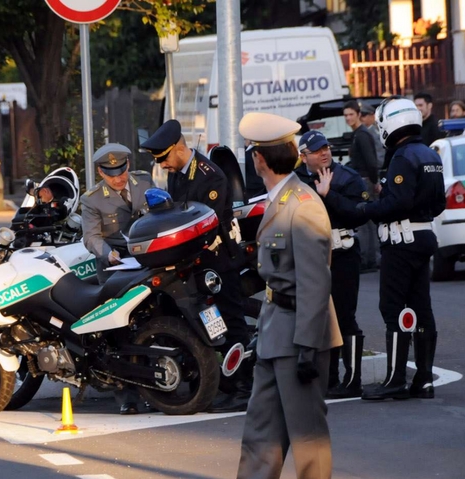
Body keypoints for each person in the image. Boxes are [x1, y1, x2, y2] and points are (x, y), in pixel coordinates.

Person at [236, 112, 342, 479]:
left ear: (259, 160)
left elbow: (316, 283)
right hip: (274, 331)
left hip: (300, 337)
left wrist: (308, 347)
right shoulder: (281, 200)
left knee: (308, 439)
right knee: (260, 434)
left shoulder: (304, 204)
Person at [141, 119, 251, 413]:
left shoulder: (209, 176)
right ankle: (216, 386)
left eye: (164, 158)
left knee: (229, 322)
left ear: (178, 148)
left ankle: (241, 388)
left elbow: (206, 225)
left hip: (217, 261)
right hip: (192, 263)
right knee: (202, 325)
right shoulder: (177, 174)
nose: (162, 165)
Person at [358, 96, 445, 401]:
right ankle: (424, 380)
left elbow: (399, 203)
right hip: (423, 238)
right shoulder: (429, 155)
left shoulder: (403, 157)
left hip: (401, 242)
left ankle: (395, 379)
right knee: (422, 309)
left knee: (393, 308)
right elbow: (438, 203)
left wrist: (370, 208)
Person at [295, 130, 369, 399]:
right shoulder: (297, 180)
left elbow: (360, 214)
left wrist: (328, 195)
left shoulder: (347, 177)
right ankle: (328, 378)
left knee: (343, 316)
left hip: (342, 253)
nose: (324, 152)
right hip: (310, 256)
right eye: (316, 150)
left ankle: (352, 380)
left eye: (325, 147)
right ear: (303, 156)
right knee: (317, 318)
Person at [80, 143, 153, 415]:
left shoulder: (144, 183)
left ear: (128, 166)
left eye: (121, 171)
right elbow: (91, 237)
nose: (118, 178)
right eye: (111, 174)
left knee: (149, 321)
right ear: (100, 171)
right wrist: (107, 254)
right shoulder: (92, 199)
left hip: (148, 260)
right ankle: (126, 394)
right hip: (115, 267)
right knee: (118, 330)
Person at [343, 99, 380, 273]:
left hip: (366, 181)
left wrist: (375, 182)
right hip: (364, 180)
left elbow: (371, 162)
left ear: (358, 114)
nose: (348, 118)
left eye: (351, 114)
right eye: (345, 115)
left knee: (367, 222)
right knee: (368, 222)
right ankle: (370, 258)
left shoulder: (362, 135)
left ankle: (368, 260)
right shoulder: (357, 134)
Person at [360, 103, 385, 169]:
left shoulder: (374, 132)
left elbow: (380, 155)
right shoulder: (363, 132)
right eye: (359, 115)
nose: (361, 118)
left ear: (372, 115)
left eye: (364, 115)